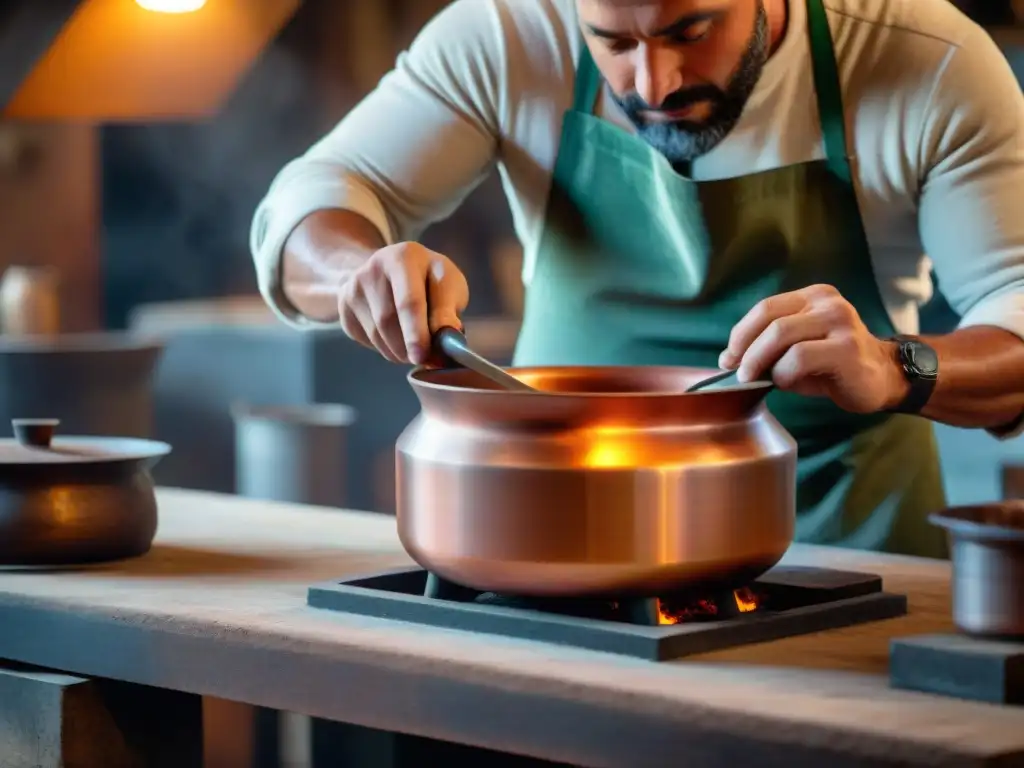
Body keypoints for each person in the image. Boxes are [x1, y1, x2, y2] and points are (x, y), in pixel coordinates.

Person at [250, 0, 1024, 559]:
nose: (654, 83)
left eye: (691, 30)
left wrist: (897, 366)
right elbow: (313, 205)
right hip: (558, 549)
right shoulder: (505, 33)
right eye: (610, 40)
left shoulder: (927, 59)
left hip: (854, 553)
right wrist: (362, 271)